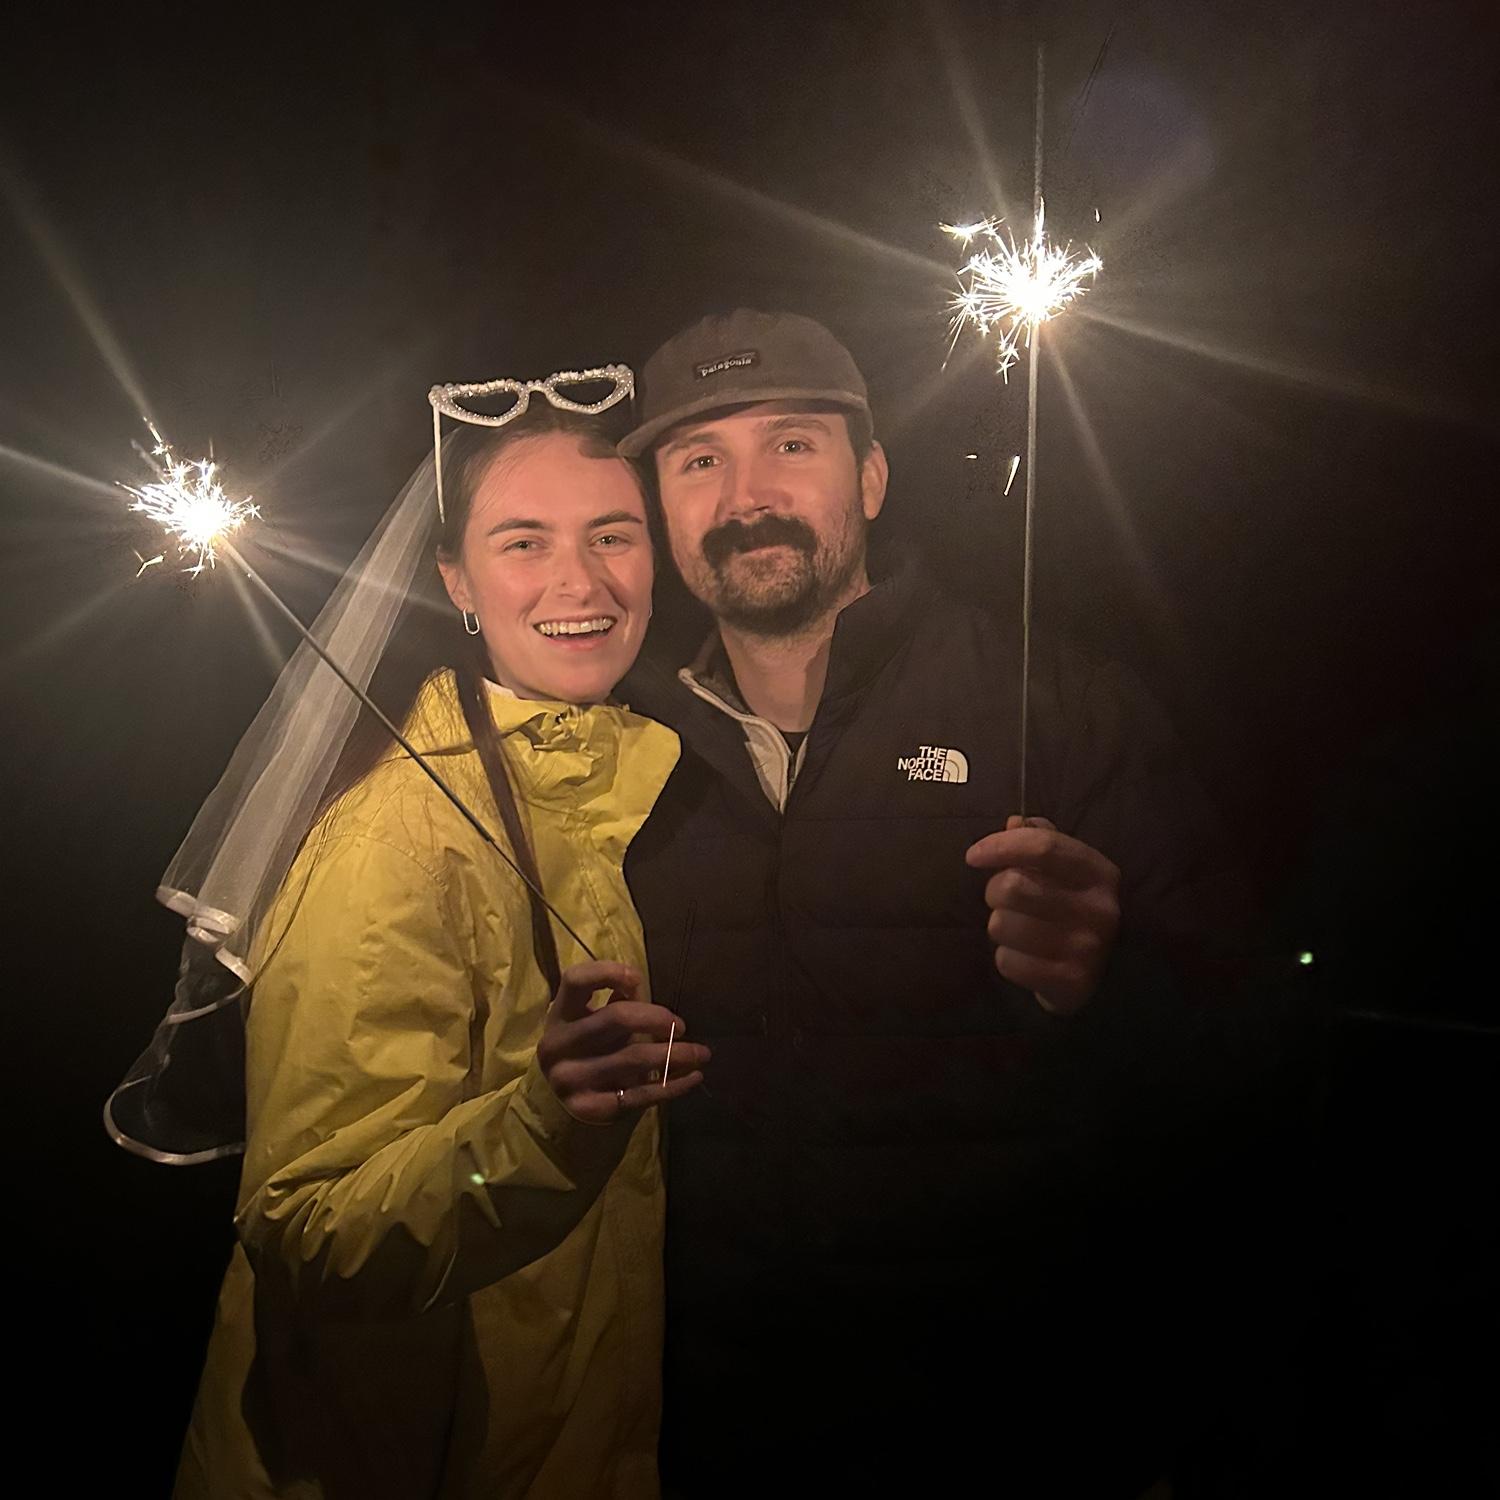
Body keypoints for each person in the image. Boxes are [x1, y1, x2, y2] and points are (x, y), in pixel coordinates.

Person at [615, 311, 1274, 1495]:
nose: (746, 495)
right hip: (708, 1420)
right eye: (698, 459)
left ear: (871, 478)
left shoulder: (1056, 705)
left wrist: (1110, 979)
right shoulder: (617, 756)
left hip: (1012, 1414)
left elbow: (1250, 1066)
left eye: (792, 445)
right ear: (661, 511)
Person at [161, 376, 710, 1498]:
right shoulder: (395, 839)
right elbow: (308, 1224)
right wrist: (540, 1126)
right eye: (524, 542)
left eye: (614, 534)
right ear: (456, 580)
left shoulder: (607, 786)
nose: (582, 582)